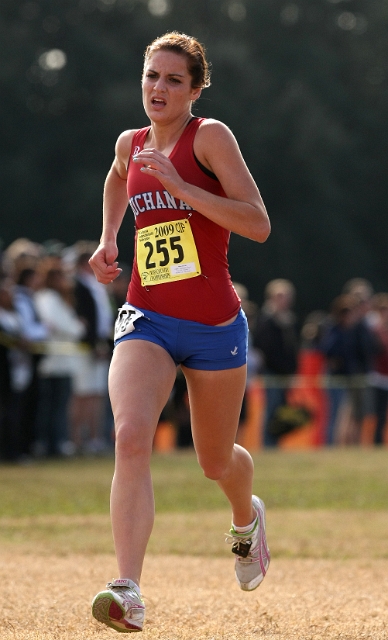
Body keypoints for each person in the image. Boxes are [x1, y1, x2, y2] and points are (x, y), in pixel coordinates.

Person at [89, 32, 271, 633]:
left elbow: (258, 223)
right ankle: (129, 588)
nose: (158, 89)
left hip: (215, 324)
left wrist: (183, 188)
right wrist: (109, 237)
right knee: (131, 434)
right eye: (151, 77)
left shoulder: (209, 138)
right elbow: (119, 176)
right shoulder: (131, 143)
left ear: (195, 89)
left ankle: (245, 519)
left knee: (216, 462)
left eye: (172, 80)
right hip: (147, 316)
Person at [252, 279, 299, 447]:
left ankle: (275, 444)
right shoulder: (266, 319)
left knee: (280, 411)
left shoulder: (289, 320)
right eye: (279, 296)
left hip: (285, 374)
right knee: (271, 409)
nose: (283, 299)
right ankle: (267, 444)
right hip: (271, 373)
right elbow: (262, 347)